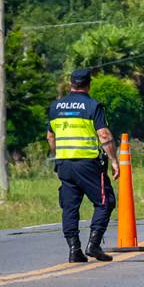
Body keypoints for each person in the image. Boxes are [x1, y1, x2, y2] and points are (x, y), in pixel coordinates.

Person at [46, 69, 120, 263]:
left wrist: (58, 155)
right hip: (88, 163)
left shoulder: (56, 107)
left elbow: (50, 136)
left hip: (64, 164)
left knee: (70, 206)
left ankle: (74, 250)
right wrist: (114, 160)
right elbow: (103, 134)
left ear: (71, 83)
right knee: (105, 201)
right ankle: (94, 245)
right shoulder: (92, 105)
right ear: (89, 84)